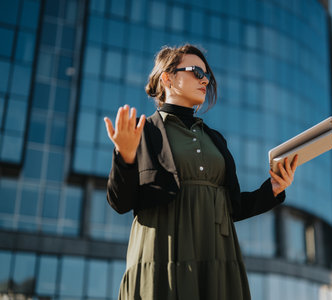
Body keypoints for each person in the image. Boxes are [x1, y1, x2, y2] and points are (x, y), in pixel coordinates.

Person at [104, 44, 298, 300]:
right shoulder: (145, 131)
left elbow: (232, 207)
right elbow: (121, 202)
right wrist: (125, 157)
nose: (205, 80)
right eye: (196, 72)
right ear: (168, 77)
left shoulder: (215, 139)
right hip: (163, 254)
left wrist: (273, 189)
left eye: (207, 74)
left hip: (217, 255)